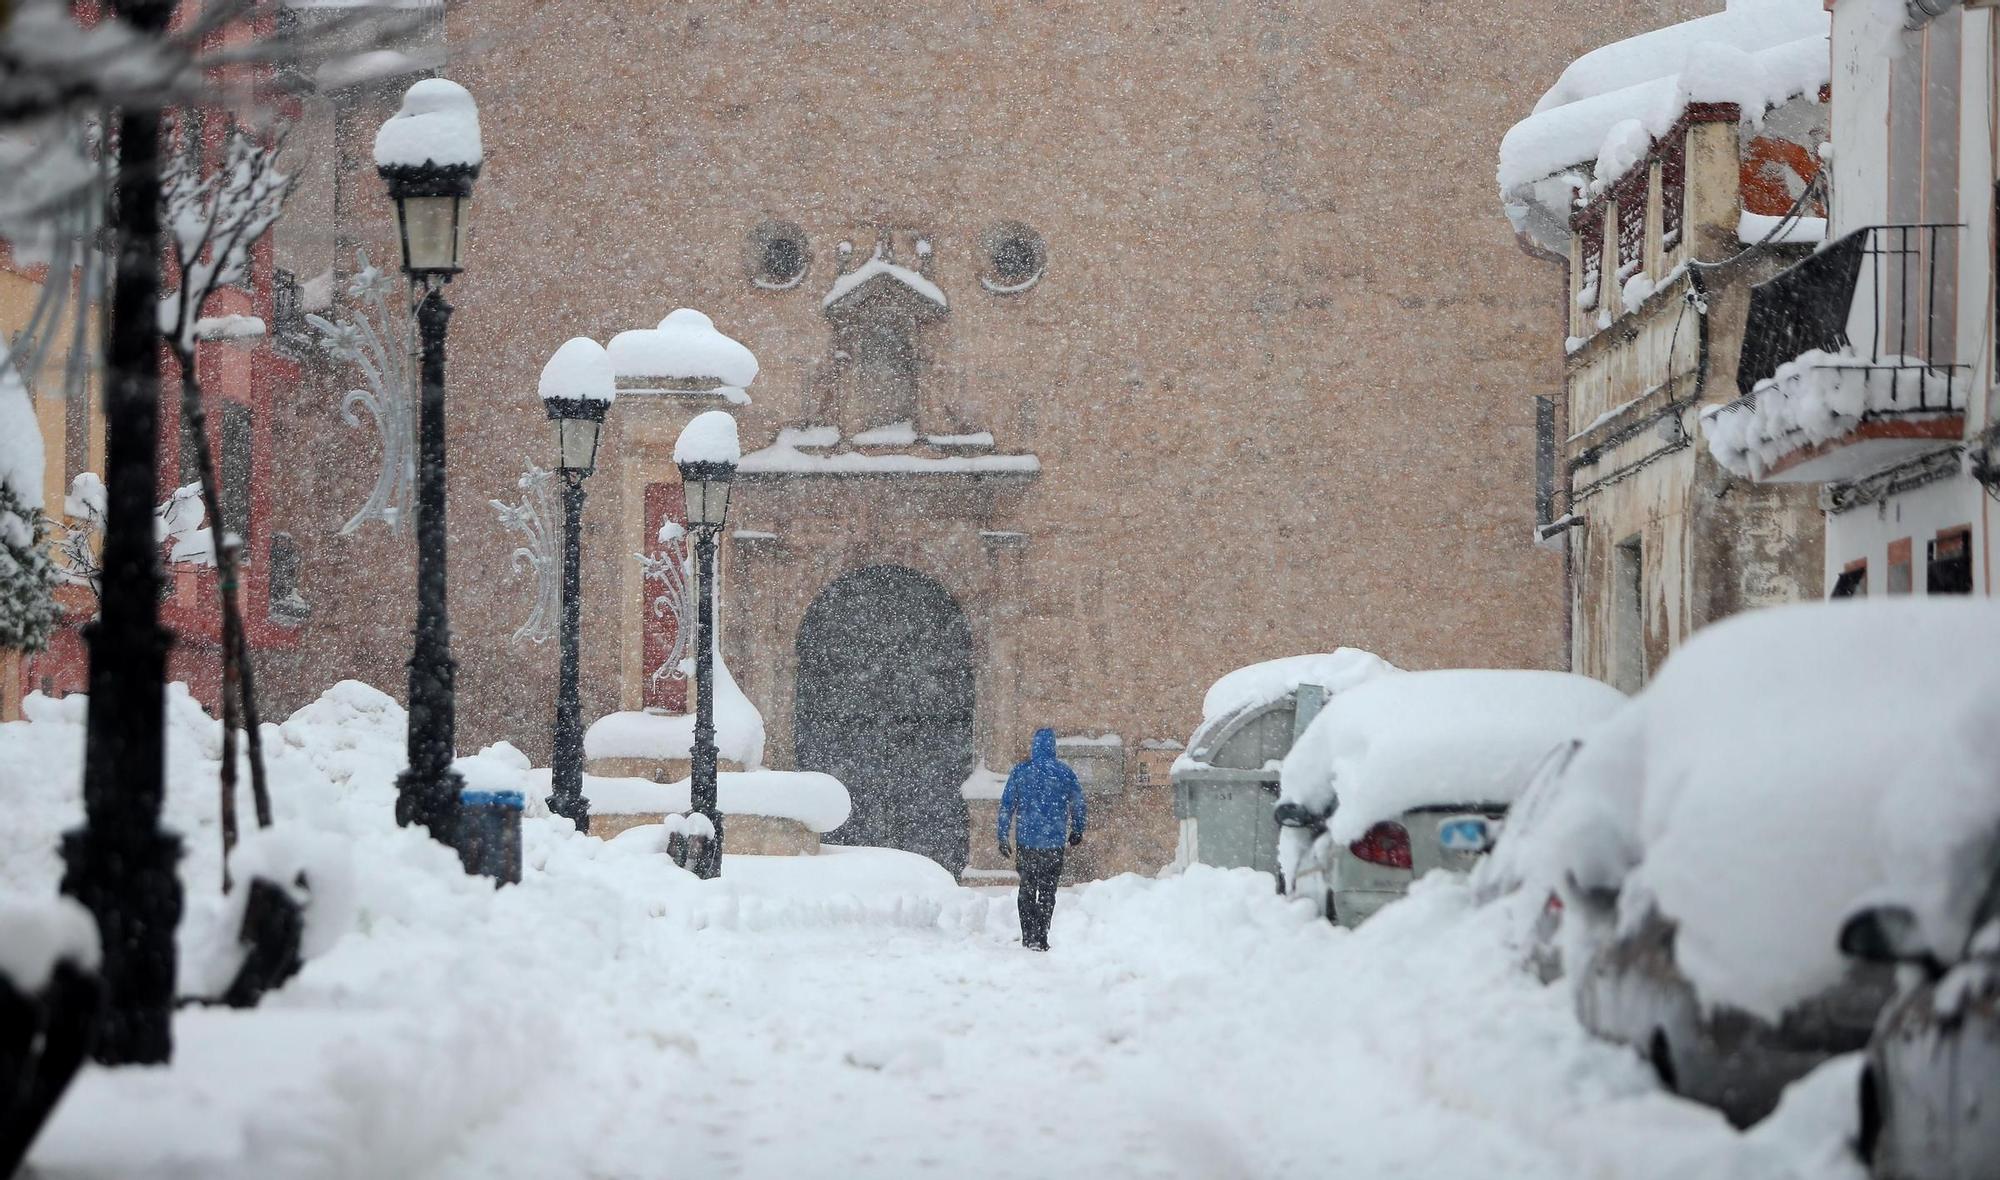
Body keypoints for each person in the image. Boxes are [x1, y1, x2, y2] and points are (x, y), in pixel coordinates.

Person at [996, 728, 1086, 951]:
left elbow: (1007, 805)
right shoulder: (1064, 773)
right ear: (1053, 747)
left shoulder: (1021, 771)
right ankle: (1041, 934)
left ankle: (1028, 935)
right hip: (1053, 844)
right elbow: (1078, 803)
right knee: (1047, 891)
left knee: (1027, 888)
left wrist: (1003, 835)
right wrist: (1077, 829)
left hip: (1027, 842)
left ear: (1034, 746)